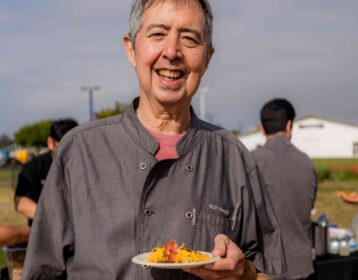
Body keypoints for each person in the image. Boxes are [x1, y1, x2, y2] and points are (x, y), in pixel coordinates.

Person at [22, 1, 286, 279]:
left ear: (207, 59)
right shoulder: (79, 151)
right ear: (131, 49)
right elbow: (42, 272)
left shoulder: (233, 158)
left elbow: (269, 270)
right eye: (158, 34)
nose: (172, 52)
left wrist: (243, 272)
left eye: (189, 38)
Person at [252, 99, 317, 280]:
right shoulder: (306, 163)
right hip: (301, 266)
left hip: (264, 269)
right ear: (289, 125)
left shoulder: (250, 162)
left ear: (262, 128)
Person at [14, 118, 78, 225]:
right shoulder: (34, 166)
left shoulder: (85, 164)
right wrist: (55, 218)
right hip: (45, 231)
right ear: (50, 143)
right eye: (63, 148)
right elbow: (20, 203)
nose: (68, 154)